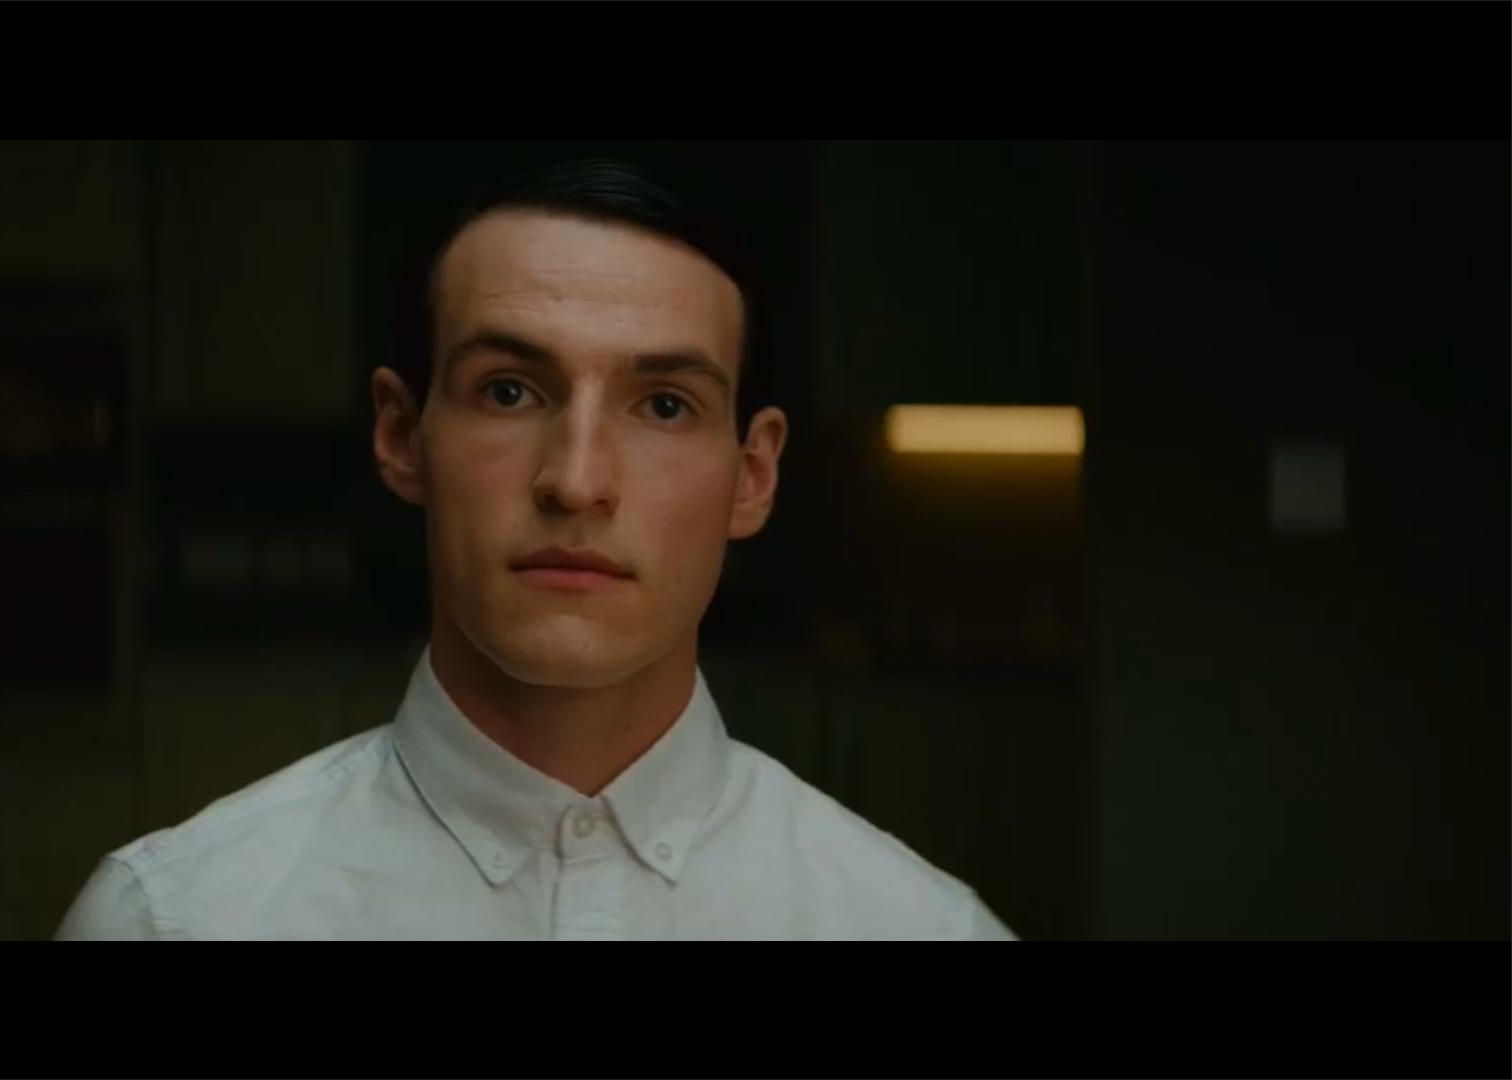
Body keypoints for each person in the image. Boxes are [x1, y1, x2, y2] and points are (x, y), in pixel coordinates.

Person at [56, 158, 1015, 940]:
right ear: (401, 436)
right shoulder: (174, 921)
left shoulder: (924, 930)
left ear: (752, 476)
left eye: (665, 405)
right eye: (510, 391)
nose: (577, 480)